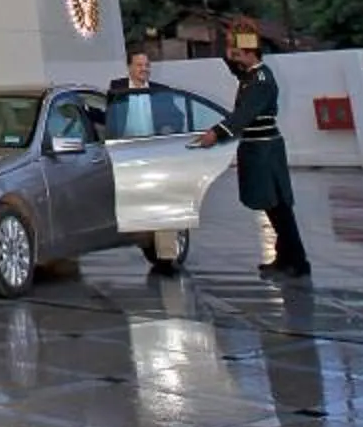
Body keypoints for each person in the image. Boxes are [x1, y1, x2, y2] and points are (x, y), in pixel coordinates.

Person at [201, 17, 311, 278]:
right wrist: (229, 40)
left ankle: (297, 260)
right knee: (271, 206)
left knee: (279, 207)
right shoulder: (249, 75)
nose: (234, 57)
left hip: (265, 150)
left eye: (239, 51)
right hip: (257, 148)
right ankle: (285, 257)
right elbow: (231, 64)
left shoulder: (260, 79)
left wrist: (217, 133)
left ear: (250, 51)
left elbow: (244, 114)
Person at [108, 44, 175, 274]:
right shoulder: (116, 89)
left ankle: (166, 258)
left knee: (162, 206)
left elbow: (178, 118)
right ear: (129, 67)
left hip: (153, 156)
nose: (144, 69)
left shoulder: (160, 91)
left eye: (147, 65)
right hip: (124, 155)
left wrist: (167, 130)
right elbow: (107, 117)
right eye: (139, 65)